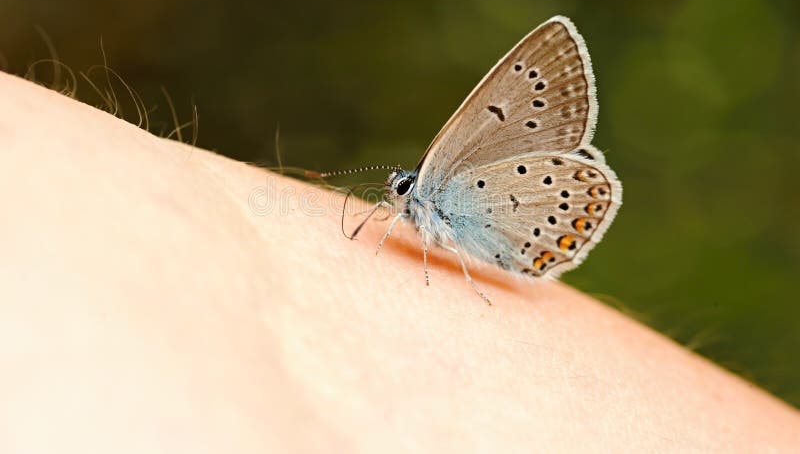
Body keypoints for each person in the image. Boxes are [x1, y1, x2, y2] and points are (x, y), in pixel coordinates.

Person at [1, 71, 797, 452]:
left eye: (396, 192)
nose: (392, 196)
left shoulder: (435, 187)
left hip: (516, 207)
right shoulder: (410, 203)